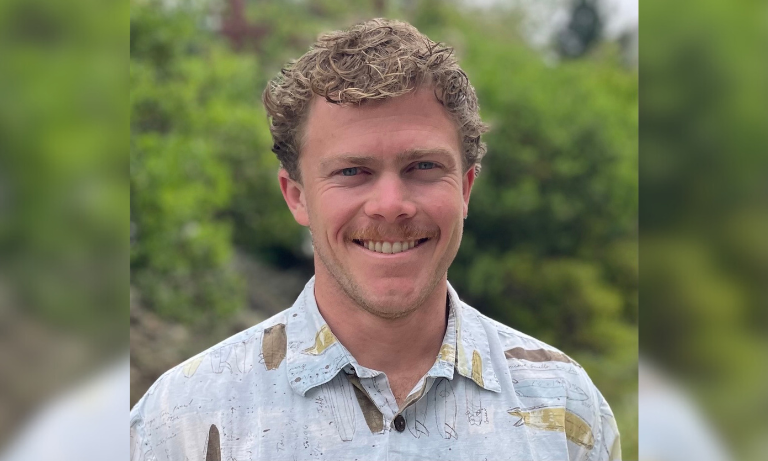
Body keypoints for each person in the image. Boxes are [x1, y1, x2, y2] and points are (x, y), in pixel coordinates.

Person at [130, 18, 621, 461]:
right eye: (352, 171)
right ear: (297, 197)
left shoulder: (564, 408)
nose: (391, 204)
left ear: (466, 188)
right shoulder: (180, 421)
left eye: (423, 167)